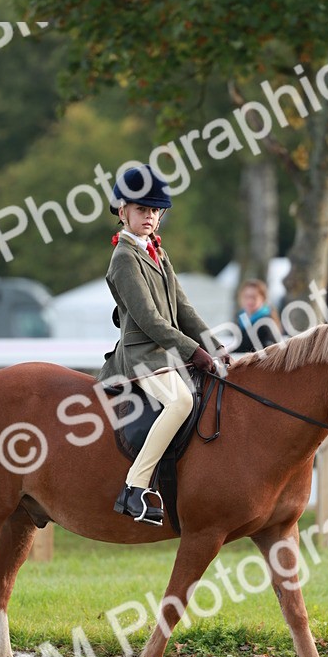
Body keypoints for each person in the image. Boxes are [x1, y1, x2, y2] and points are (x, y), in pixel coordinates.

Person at [98, 164, 229, 525]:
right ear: (122, 211)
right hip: (142, 357)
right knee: (181, 401)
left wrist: (215, 346)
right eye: (142, 210)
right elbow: (151, 321)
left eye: (155, 211)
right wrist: (194, 351)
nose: (150, 217)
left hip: (166, 353)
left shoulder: (156, 250)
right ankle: (135, 489)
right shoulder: (124, 258)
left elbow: (183, 309)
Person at [234, 278, 282, 353]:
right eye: (246, 297)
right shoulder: (240, 318)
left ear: (263, 298)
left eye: (253, 297)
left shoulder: (266, 322)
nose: (249, 301)